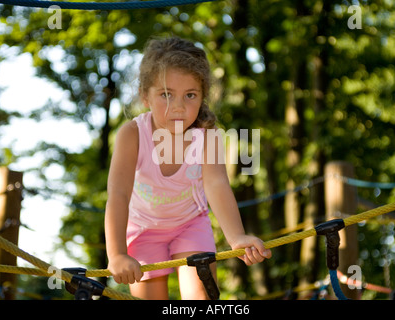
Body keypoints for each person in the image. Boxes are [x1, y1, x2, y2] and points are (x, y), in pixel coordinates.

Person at [104, 37, 271, 300]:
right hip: (144, 229)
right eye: (166, 95)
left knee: (201, 298)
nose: (178, 107)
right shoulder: (133, 134)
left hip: (190, 225)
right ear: (145, 95)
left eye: (190, 95)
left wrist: (237, 237)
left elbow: (216, 184)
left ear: (203, 96)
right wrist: (117, 254)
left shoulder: (208, 136)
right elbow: (119, 194)